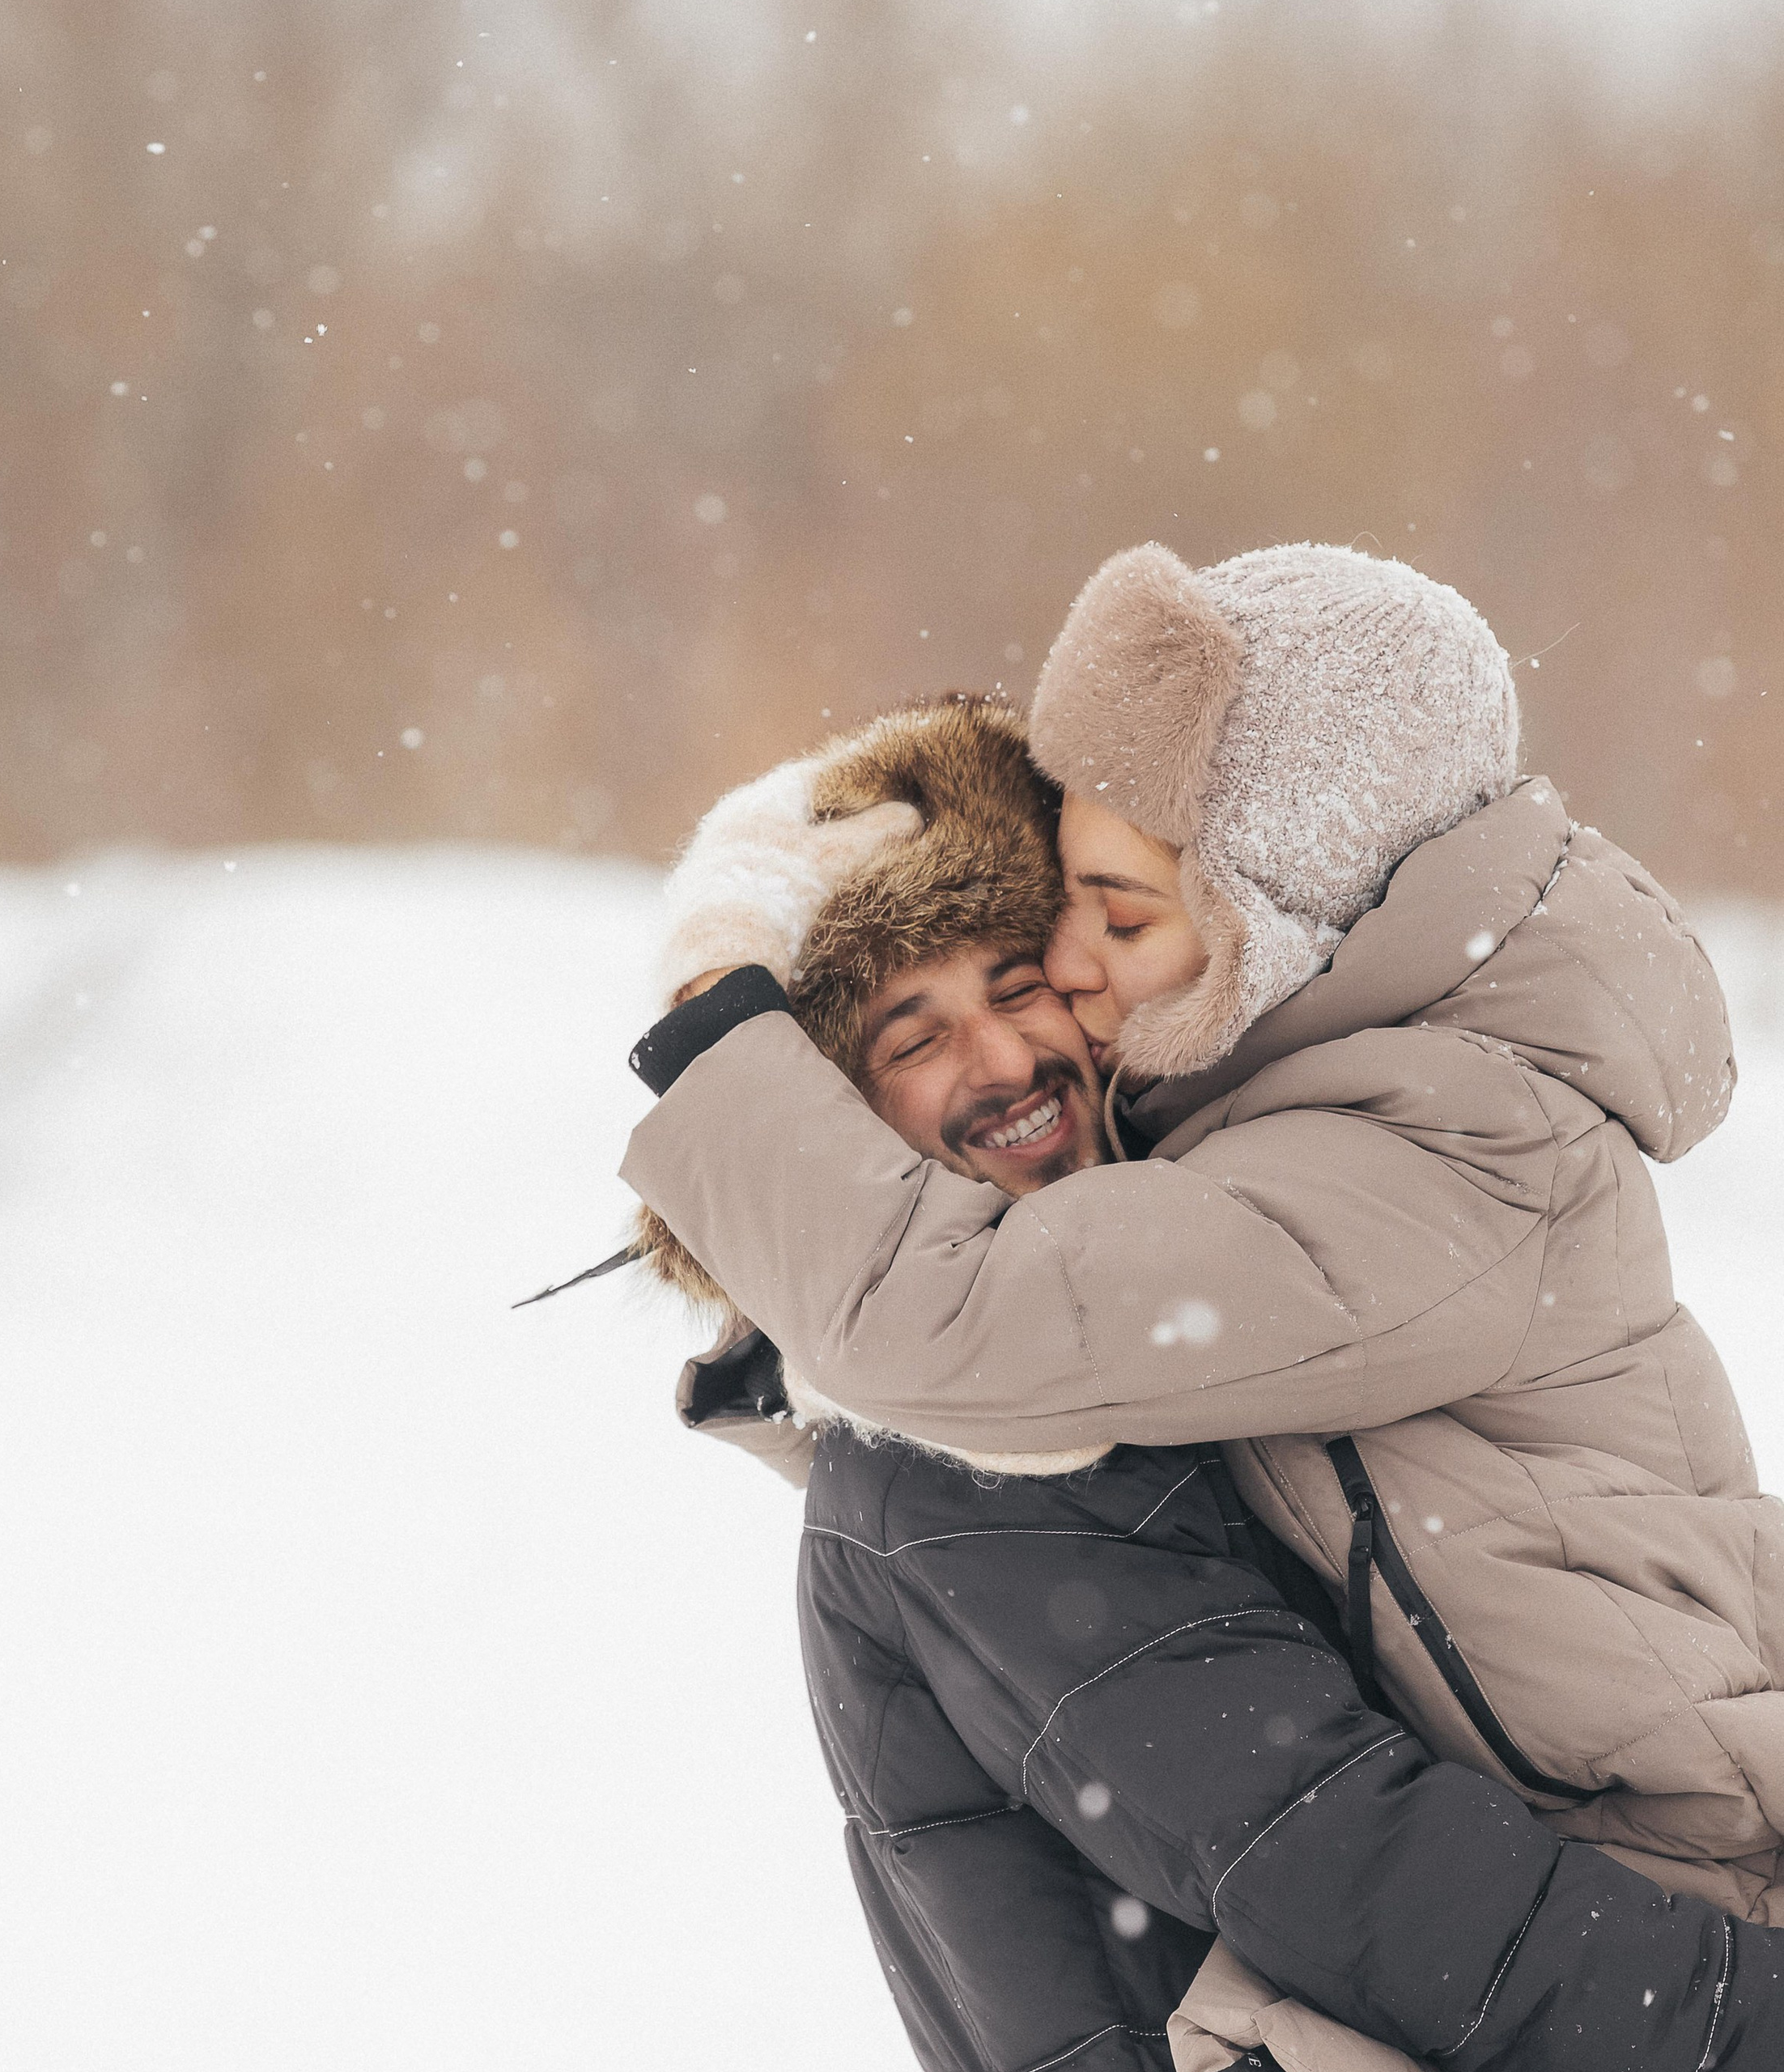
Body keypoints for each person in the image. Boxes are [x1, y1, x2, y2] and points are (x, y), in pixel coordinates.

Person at [622, 690, 1784, 2072]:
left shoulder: (1172, 1316)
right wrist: (1734, 2012)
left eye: (1017, 985)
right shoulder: (968, 1468)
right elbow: (1341, 1858)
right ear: (831, 1129)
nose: (1003, 1064)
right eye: (911, 1041)